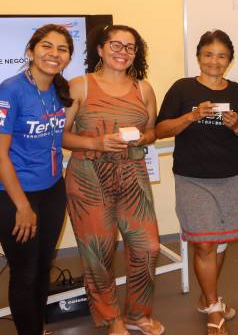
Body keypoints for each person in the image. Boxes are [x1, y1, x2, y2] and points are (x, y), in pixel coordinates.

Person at [62, 25, 163, 335]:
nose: (123, 52)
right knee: (99, 251)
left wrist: (141, 138)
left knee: (148, 246)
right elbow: (61, 136)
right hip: (89, 177)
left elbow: (152, 131)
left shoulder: (143, 89)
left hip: (132, 173)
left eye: (130, 47)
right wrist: (96, 142)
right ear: (100, 49)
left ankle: (137, 314)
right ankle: (111, 318)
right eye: (116, 45)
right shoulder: (80, 86)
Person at [155, 30, 238, 334]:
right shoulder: (182, 88)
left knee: (219, 240)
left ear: (230, 60)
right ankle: (214, 306)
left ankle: (206, 296)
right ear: (199, 56)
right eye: (208, 54)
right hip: (193, 177)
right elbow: (160, 130)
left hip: (231, 176)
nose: (215, 61)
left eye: (222, 56)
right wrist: (192, 116)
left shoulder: (235, 91)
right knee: (204, 243)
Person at [0, 24, 72, 335]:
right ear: (31, 51)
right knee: (25, 272)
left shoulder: (59, 89)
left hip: (53, 189)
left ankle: (36, 328)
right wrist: (22, 206)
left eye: (62, 49)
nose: (54, 54)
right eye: (47, 46)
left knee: (43, 267)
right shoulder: (10, 90)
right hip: (15, 195)